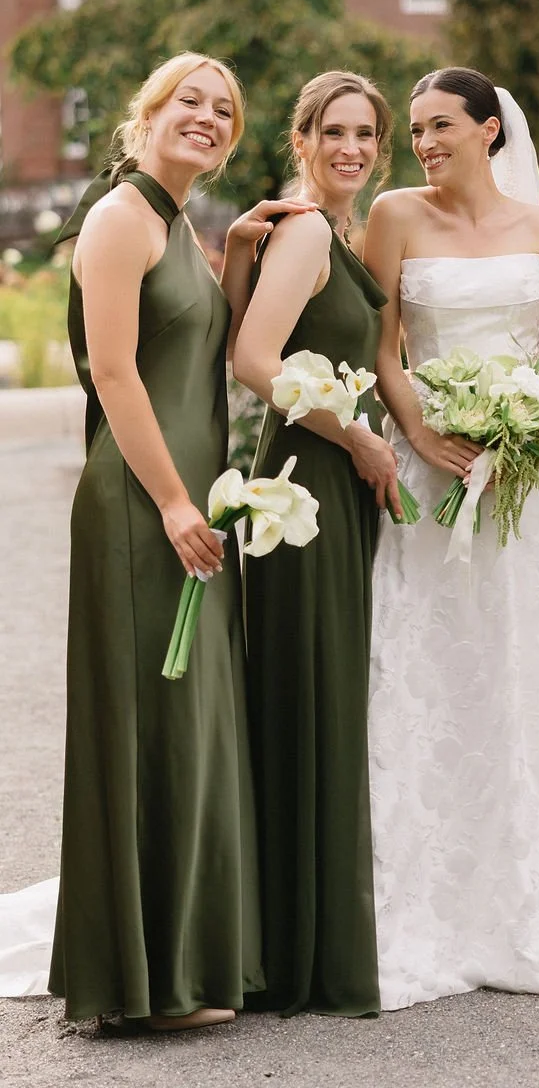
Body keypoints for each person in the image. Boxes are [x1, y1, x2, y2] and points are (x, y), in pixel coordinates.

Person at [43, 53, 315, 1028]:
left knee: (186, 724)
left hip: (191, 504)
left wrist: (235, 248)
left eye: (222, 110)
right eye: (188, 102)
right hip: (140, 507)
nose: (205, 117)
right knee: (149, 725)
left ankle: (182, 968)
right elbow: (115, 375)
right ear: (146, 114)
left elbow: (212, 352)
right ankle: (138, 984)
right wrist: (169, 501)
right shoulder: (119, 219)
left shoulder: (175, 225)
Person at [360, 66, 539, 1011]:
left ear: (488, 130)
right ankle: (425, 907)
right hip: (429, 466)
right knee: (429, 662)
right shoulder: (392, 216)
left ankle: (536, 909)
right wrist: (423, 436)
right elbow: (382, 348)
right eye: (415, 129)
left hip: (529, 467)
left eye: (440, 126)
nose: (424, 142)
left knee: (524, 662)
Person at [233, 72, 400, 1017]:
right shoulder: (303, 230)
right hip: (300, 479)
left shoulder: (344, 233)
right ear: (301, 140)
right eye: (333, 132)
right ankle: (297, 948)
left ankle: (316, 921)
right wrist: (356, 434)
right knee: (306, 687)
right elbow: (253, 360)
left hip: (337, 473)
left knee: (329, 687)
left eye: (365, 134)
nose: (350, 147)